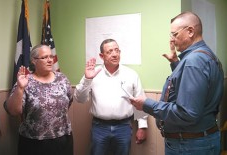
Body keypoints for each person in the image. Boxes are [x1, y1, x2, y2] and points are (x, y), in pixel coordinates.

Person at [130, 11, 224, 155]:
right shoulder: (206, 55)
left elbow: (187, 113)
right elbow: (195, 86)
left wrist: (146, 104)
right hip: (201, 139)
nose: (172, 40)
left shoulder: (193, 62)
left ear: (190, 31)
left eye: (175, 34)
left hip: (189, 145)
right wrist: (175, 63)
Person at [74, 38, 148, 155]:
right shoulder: (93, 73)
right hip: (99, 127)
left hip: (123, 127)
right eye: (109, 52)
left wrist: (142, 127)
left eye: (117, 50)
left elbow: (140, 101)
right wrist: (88, 79)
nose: (114, 54)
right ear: (101, 56)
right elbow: (80, 99)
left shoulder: (131, 74)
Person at [4, 44, 74, 155]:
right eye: (45, 57)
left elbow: (69, 102)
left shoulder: (62, 79)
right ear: (34, 60)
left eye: (51, 57)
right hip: (33, 142)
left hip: (62, 139)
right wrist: (20, 88)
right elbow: (13, 111)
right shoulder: (25, 81)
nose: (50, 60)